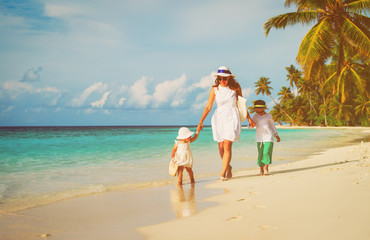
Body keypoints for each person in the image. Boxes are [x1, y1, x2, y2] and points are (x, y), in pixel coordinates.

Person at [197, 66, 255, 181]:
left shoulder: (235, 87)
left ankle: (222, 173)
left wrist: (249, 118)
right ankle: (228, 167)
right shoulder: (215, 89)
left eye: (225, 79)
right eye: (220, 79)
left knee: (228, 145)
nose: (222, 81)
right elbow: (208, 106)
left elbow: (241, 104)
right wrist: (201, 121)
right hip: (219, 118)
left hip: (232, 117)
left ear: (229, 78)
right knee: (221, 148)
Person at [250, 100, 281, 176]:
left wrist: (276, 135)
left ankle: (266, 168)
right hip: (259, 138)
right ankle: (261, 170)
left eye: (260, 108)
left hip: (269, 137)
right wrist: (251, 124)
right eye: (257, 108)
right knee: (260, 154)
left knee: (266, 153)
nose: (258, 110)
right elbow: (250, 126)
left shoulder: (269, 115)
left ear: (264, 108)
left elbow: (273, 126)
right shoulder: (254, 116)